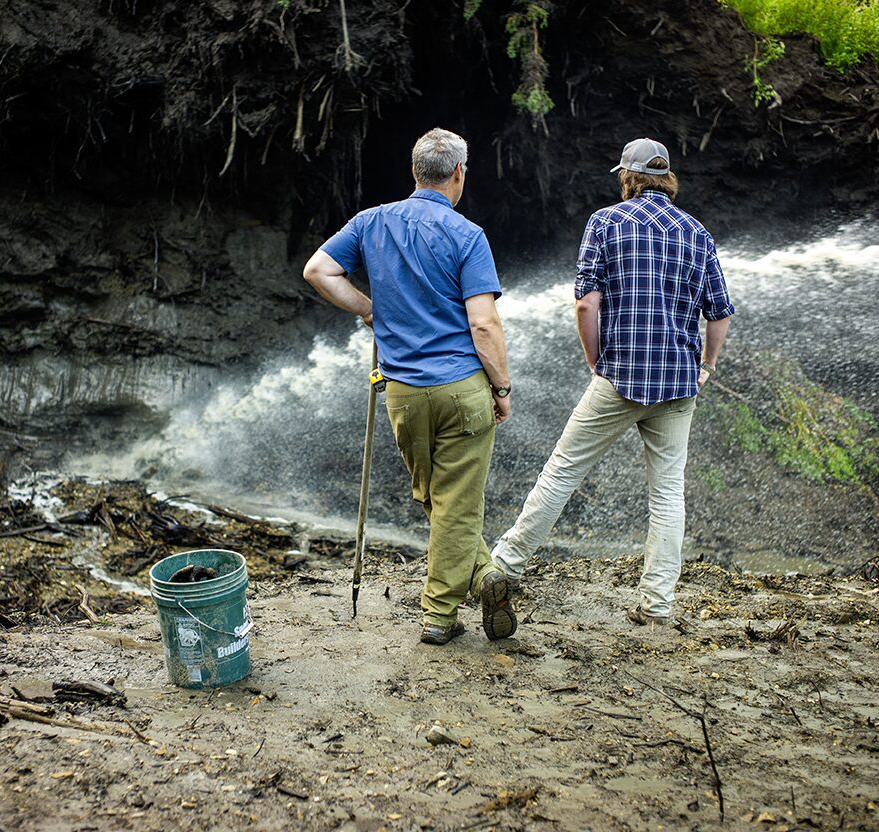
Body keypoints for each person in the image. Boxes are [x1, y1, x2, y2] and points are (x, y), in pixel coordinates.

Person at [490, 137, 735, 625]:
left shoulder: (605, 222)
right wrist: (705, 367)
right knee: (667, 492)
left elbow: (586, 303)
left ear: (627, 178)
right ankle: (657, 604)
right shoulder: (698, 233)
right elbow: (720, 313)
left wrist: (594, 358)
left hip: (618, 375)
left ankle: (502, 567)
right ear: (667, 180)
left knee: (562, 472)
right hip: (679, 384)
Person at [303, 127, 517, 645]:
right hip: (462, 390)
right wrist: (503, 389)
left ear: (414, 172)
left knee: (435, 498)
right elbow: (484, 325)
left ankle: (485, 577)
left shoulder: (371, 223)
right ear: (459, 173)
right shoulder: (468, 236)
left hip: (402, 392)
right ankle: (440, 615)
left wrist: (370, 310)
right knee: (456, 504)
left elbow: (318, 270)